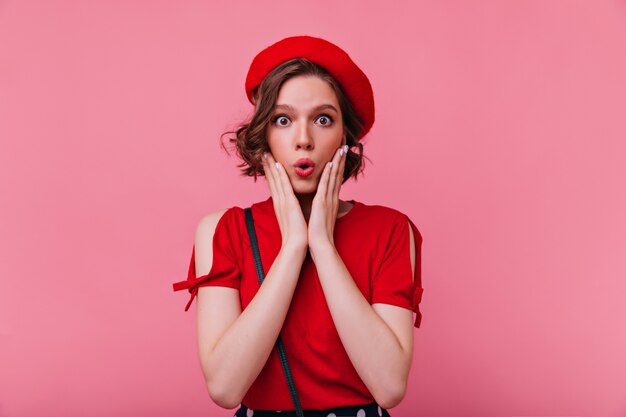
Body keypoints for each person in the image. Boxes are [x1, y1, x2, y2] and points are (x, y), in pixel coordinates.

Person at [172, 35, 424, 417]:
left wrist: (322, 244)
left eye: (323, 119)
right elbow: (225, 387)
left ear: (345, 137)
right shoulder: (222, 230)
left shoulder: (389, 229)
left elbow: (389, 386)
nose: (303, 140)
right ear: (263, 135)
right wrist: (293, 247)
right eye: (283, 120)